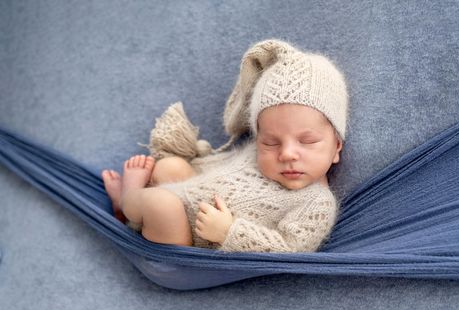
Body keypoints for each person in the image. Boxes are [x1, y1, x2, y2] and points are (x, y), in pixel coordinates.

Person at [101, 39, 348, 252]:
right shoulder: (257, 155)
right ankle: (130, 215)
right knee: (170, 167)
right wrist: (197, 159)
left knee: (162, 204)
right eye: (270, 142)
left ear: (336, 147)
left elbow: (289, 248)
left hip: (185, 246)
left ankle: (128, 198)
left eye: (307, 141)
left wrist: (229, 231)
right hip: (187, 200)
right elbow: (221, 168)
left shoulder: (317, 204)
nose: (287, 154)